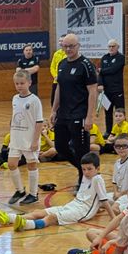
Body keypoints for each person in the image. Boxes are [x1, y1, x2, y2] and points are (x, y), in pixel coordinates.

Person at [0, 152, 112, 230]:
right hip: (73, 205)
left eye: (89, 169)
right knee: (39, 212)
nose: (86, 172)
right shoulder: (87, 176)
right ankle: (8, 218)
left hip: (81, 212)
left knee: (51, 218)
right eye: (83, 169)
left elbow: (104, 200)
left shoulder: (97, 179)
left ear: (98, 168)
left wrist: (113, 217)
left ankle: (26, 225)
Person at [48, 33, 98, 188]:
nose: (68, 49)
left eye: (71, 46)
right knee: (60, 146)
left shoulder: (86, 65)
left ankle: (84, 181)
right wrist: (54, 110)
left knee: (81, 150)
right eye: (65, 46)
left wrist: (89, 117)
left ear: (78, 46)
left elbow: (93, 91)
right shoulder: (62, 64)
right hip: (63, 113)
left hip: (79, 114)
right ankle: (82, 169)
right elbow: (59, 88)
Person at [5, 69, 43, 206]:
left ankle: (33, 194)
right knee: (11, 164)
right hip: (16, 138)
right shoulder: (15, 98)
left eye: (22, 83)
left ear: (29, 83)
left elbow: (39, 122)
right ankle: (20, 190)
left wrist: (35, 141)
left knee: (31, 165)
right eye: (17, 83)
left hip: (29, 139)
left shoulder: (34, 100)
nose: (19, 86)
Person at [97, 39, 125, 136]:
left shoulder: (121, 58)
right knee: (107, 112)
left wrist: (101, 70)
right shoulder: (104, 58)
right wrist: (100, 84)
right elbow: (99, 74)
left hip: (117, 90)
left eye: (113, 46)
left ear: (118, 47)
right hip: (106, 91)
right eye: (109, 46)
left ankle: (121, 131)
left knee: (120, 112)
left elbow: (113, 70)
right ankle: (108, 131)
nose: (111, 48)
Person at [49, 36, 66, 106]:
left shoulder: (69, 54)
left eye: (62, 41)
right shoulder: (56, 54)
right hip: (56, 81)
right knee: (53, 101)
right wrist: (55, 76)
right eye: (59, 41)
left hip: (65, 82)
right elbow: (52, 67)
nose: (60, 43)